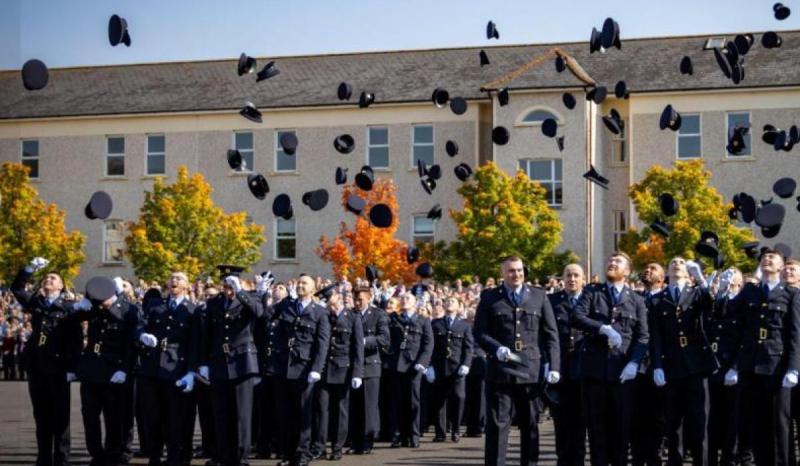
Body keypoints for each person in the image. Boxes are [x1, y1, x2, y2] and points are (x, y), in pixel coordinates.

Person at [474, 255, 560, 466]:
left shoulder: (539, 296)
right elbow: (480, 332)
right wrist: (496, 348)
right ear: (502, 273)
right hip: (500, 371)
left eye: (520, 270)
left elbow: (550, 334)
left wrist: (554, 366)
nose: (517, 274)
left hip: (529, 370)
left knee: (529, 424)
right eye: (511, 270)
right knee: (497, 425)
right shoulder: (490, 297)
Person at [571, 251, 649, 466]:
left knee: (622, 433)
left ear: (628, 271)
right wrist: (603, 328)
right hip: (594, 374)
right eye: (610, 260)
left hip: (623, 374)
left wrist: (634, 362)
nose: (612, 263)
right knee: (597, 434)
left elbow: (643, 336)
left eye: (618, 261)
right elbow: (576, 317)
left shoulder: (637, 301)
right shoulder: (592, 292)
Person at [727, 248, 800, 466]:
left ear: (781, 266)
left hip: (777, 366)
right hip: (750, 365)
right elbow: (731, 315)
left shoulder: (791, 294)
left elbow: (795, 333)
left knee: (779, 424)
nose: (766, 259)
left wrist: (794, 367)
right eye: (764, 257)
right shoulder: (751, 291)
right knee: (756, 422)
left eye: (772, 258)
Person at [11, 257, 83, 466]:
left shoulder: (70, 308)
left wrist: (72, 368)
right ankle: (43, 457)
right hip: (37, 365)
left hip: (59, 367)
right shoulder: (37, 302)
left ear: (61, 286)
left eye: (53, 278)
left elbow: (76, 340)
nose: (48, 280)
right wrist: (29, 269)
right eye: (46, 277)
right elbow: (17, 288)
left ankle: (61, 457)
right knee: (41, 415)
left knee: (60, 416)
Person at [650, 257, 718, 465]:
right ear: (667, 272)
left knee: (699, 421)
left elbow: (710, 305)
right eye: (672, 262)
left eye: (681, 262)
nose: (676, 264)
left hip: (696, 364)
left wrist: (702, 280)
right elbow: (656, 336)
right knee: (673, 423)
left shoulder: (696, 293)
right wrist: (658, 366)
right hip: (672, 364)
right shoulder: (657, 299)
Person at [198, 266, 264, 466]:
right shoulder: (215, 302)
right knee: (221, 412)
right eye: (225, 284)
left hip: (243, 362)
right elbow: (207, 334)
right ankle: (223, 455)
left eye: (231, 284)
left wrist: (241, 292)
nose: (228, 289)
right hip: (219, 361)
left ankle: (241, 457)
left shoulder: (250, 298)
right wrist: (204, 362)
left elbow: (259, 313)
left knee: (242, 414)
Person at [73, 279, 140, 466]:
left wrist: (125, 369)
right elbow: (70, 321)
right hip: (91, 369)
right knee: (89, 414)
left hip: (114, 370)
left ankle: (114, 452)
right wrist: (81, 305)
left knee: (114, 416)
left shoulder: (128, 310)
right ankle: (96, 452)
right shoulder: (94, 307)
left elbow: (131, 344)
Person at [136, 272, 200, 466]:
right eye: (171, 278)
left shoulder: (192, 310)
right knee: (153, 416)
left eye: (179, 278)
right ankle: (155, 456)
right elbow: (140, 325)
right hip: (152, 368)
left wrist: (191, 371)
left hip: (176, 369)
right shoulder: (156, 306)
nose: (174, 281)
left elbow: (195, 343)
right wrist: (141, 336)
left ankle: (175, 457)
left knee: (175, 418)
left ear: (187, 285)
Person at [271, 274, 330, 466]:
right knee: (284, 413)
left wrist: (316, 369)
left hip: (304, 369)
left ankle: (302, 454)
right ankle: (288, 454)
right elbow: (275, 329)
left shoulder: (320, 312)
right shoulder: (287, 307)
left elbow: (322, 344)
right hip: (283, 368)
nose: (300, 285)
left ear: (313, 289)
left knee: (303, 414)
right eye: (299, 282)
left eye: (305, 283)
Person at [311, 291, 364, 461]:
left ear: (341, 300)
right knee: (321, 410)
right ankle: (319, 447)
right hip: (325, 370)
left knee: (341, 411)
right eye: (329, 305)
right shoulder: (325, 316)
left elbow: (357, 348)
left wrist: (357, 373)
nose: (332, 308)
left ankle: (337, 447)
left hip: (343, 370)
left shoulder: (353, 317)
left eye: (334, 304)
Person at [547, 263, 587, 466]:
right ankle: (563, 460)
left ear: (583, 279)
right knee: (561, 421)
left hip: (583, 368)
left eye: (576, 275)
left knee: (581, 421)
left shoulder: (590, 300)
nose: (572, 279)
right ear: (563, 278)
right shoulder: (552, 301)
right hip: (560, 368)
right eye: (568, 275)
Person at [384, 291, 434, 448]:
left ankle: (414, 434)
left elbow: (428, 344)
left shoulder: (423, 321)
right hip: (397, 365)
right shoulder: (393, 319)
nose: (404, 300)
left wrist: (423, 362)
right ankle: (399, 434)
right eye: (402, 298)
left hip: (414, 365)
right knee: (397, 401)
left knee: (413, 401)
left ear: (415, 302)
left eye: (408, 298)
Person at [706, 267, 744, 466]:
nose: (728, 276)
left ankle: (729, 459)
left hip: (732, 368)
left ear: (740, 280)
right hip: (712, 367)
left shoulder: (743, 303)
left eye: (732, 273)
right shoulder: (714, 302)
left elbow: (746, 338)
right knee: (712, 419)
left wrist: (736, 367)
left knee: (732, 419)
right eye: (726, 273)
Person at [632, 262, 667, 466]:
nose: (648, 270)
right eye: (646, 268)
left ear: (662, 278)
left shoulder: (666, 299)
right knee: (637, 416)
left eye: (653, 269)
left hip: (659, 365)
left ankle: (655, 456)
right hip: (637, 365)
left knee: (657, 416)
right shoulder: (636, 298)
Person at [348, 285, 389, 455]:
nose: (357, 303)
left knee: (368, 406)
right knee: (355, 406)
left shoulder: (378, 314)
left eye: (361, 299)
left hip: (370, 364)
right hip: (352, 365)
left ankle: (367, 441)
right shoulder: (350, 314)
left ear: (369, 298)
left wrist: (363, 341)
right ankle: (355, 441)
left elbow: (384, 338)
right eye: (355, 299)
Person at [429, 296, 474, 443]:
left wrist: (466, 364)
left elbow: (468, 348)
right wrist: (429, 366)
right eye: (447, 301)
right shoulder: (435, 324)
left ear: (459, 306)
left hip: (457, 368)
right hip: (440, 367)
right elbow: (430, 346)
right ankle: (440, 432)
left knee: (458, 398)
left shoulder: (464, 326)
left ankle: (455, 430)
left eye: (453, 301)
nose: (449, 303)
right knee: (438, 401)